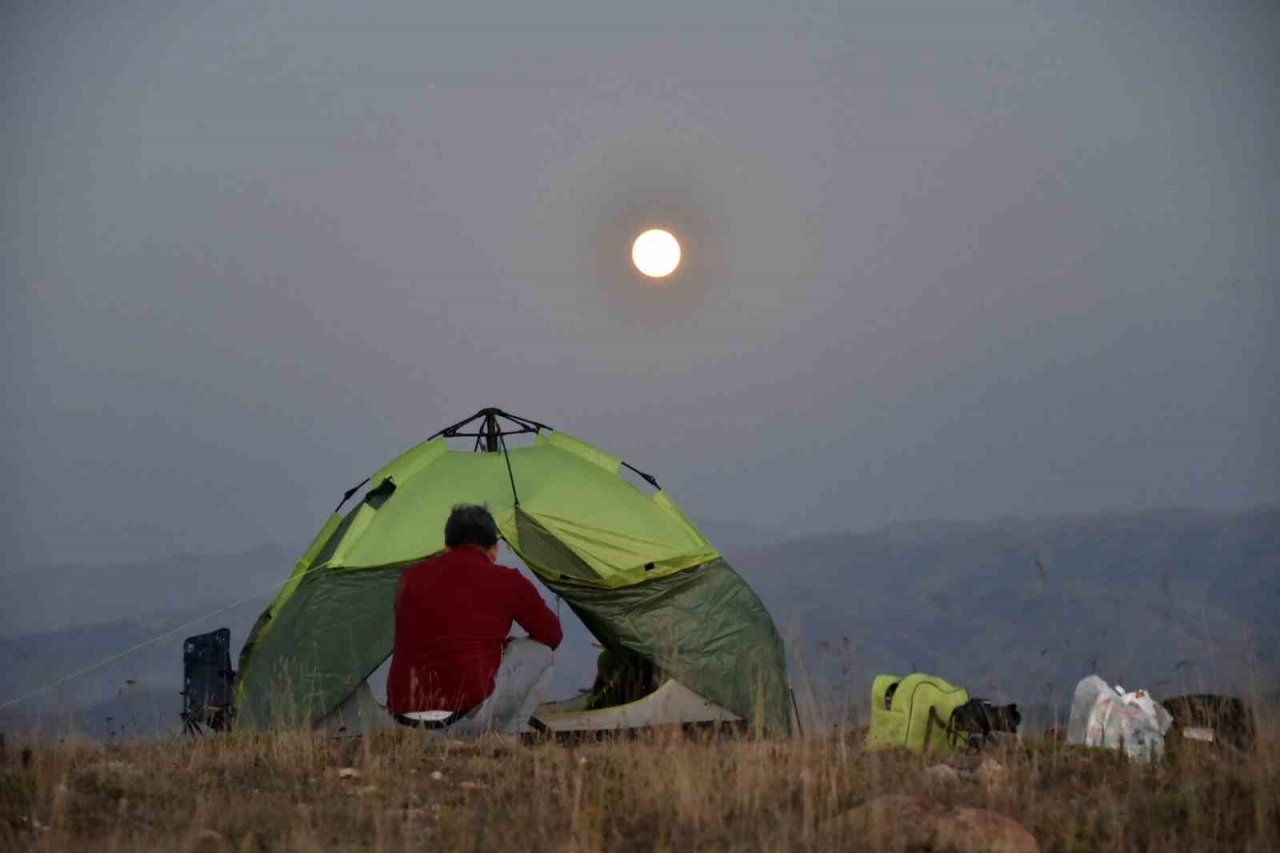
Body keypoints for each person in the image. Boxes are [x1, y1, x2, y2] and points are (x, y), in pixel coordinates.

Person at [387, 504, 562, 735]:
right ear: (495, 548)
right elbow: (552, 635)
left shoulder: (409, 578)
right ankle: (506, 738)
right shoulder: (507, 580)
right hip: (463, 721)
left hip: (404, 723)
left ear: (446, 547)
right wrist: (502, 646)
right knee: (542, 652)